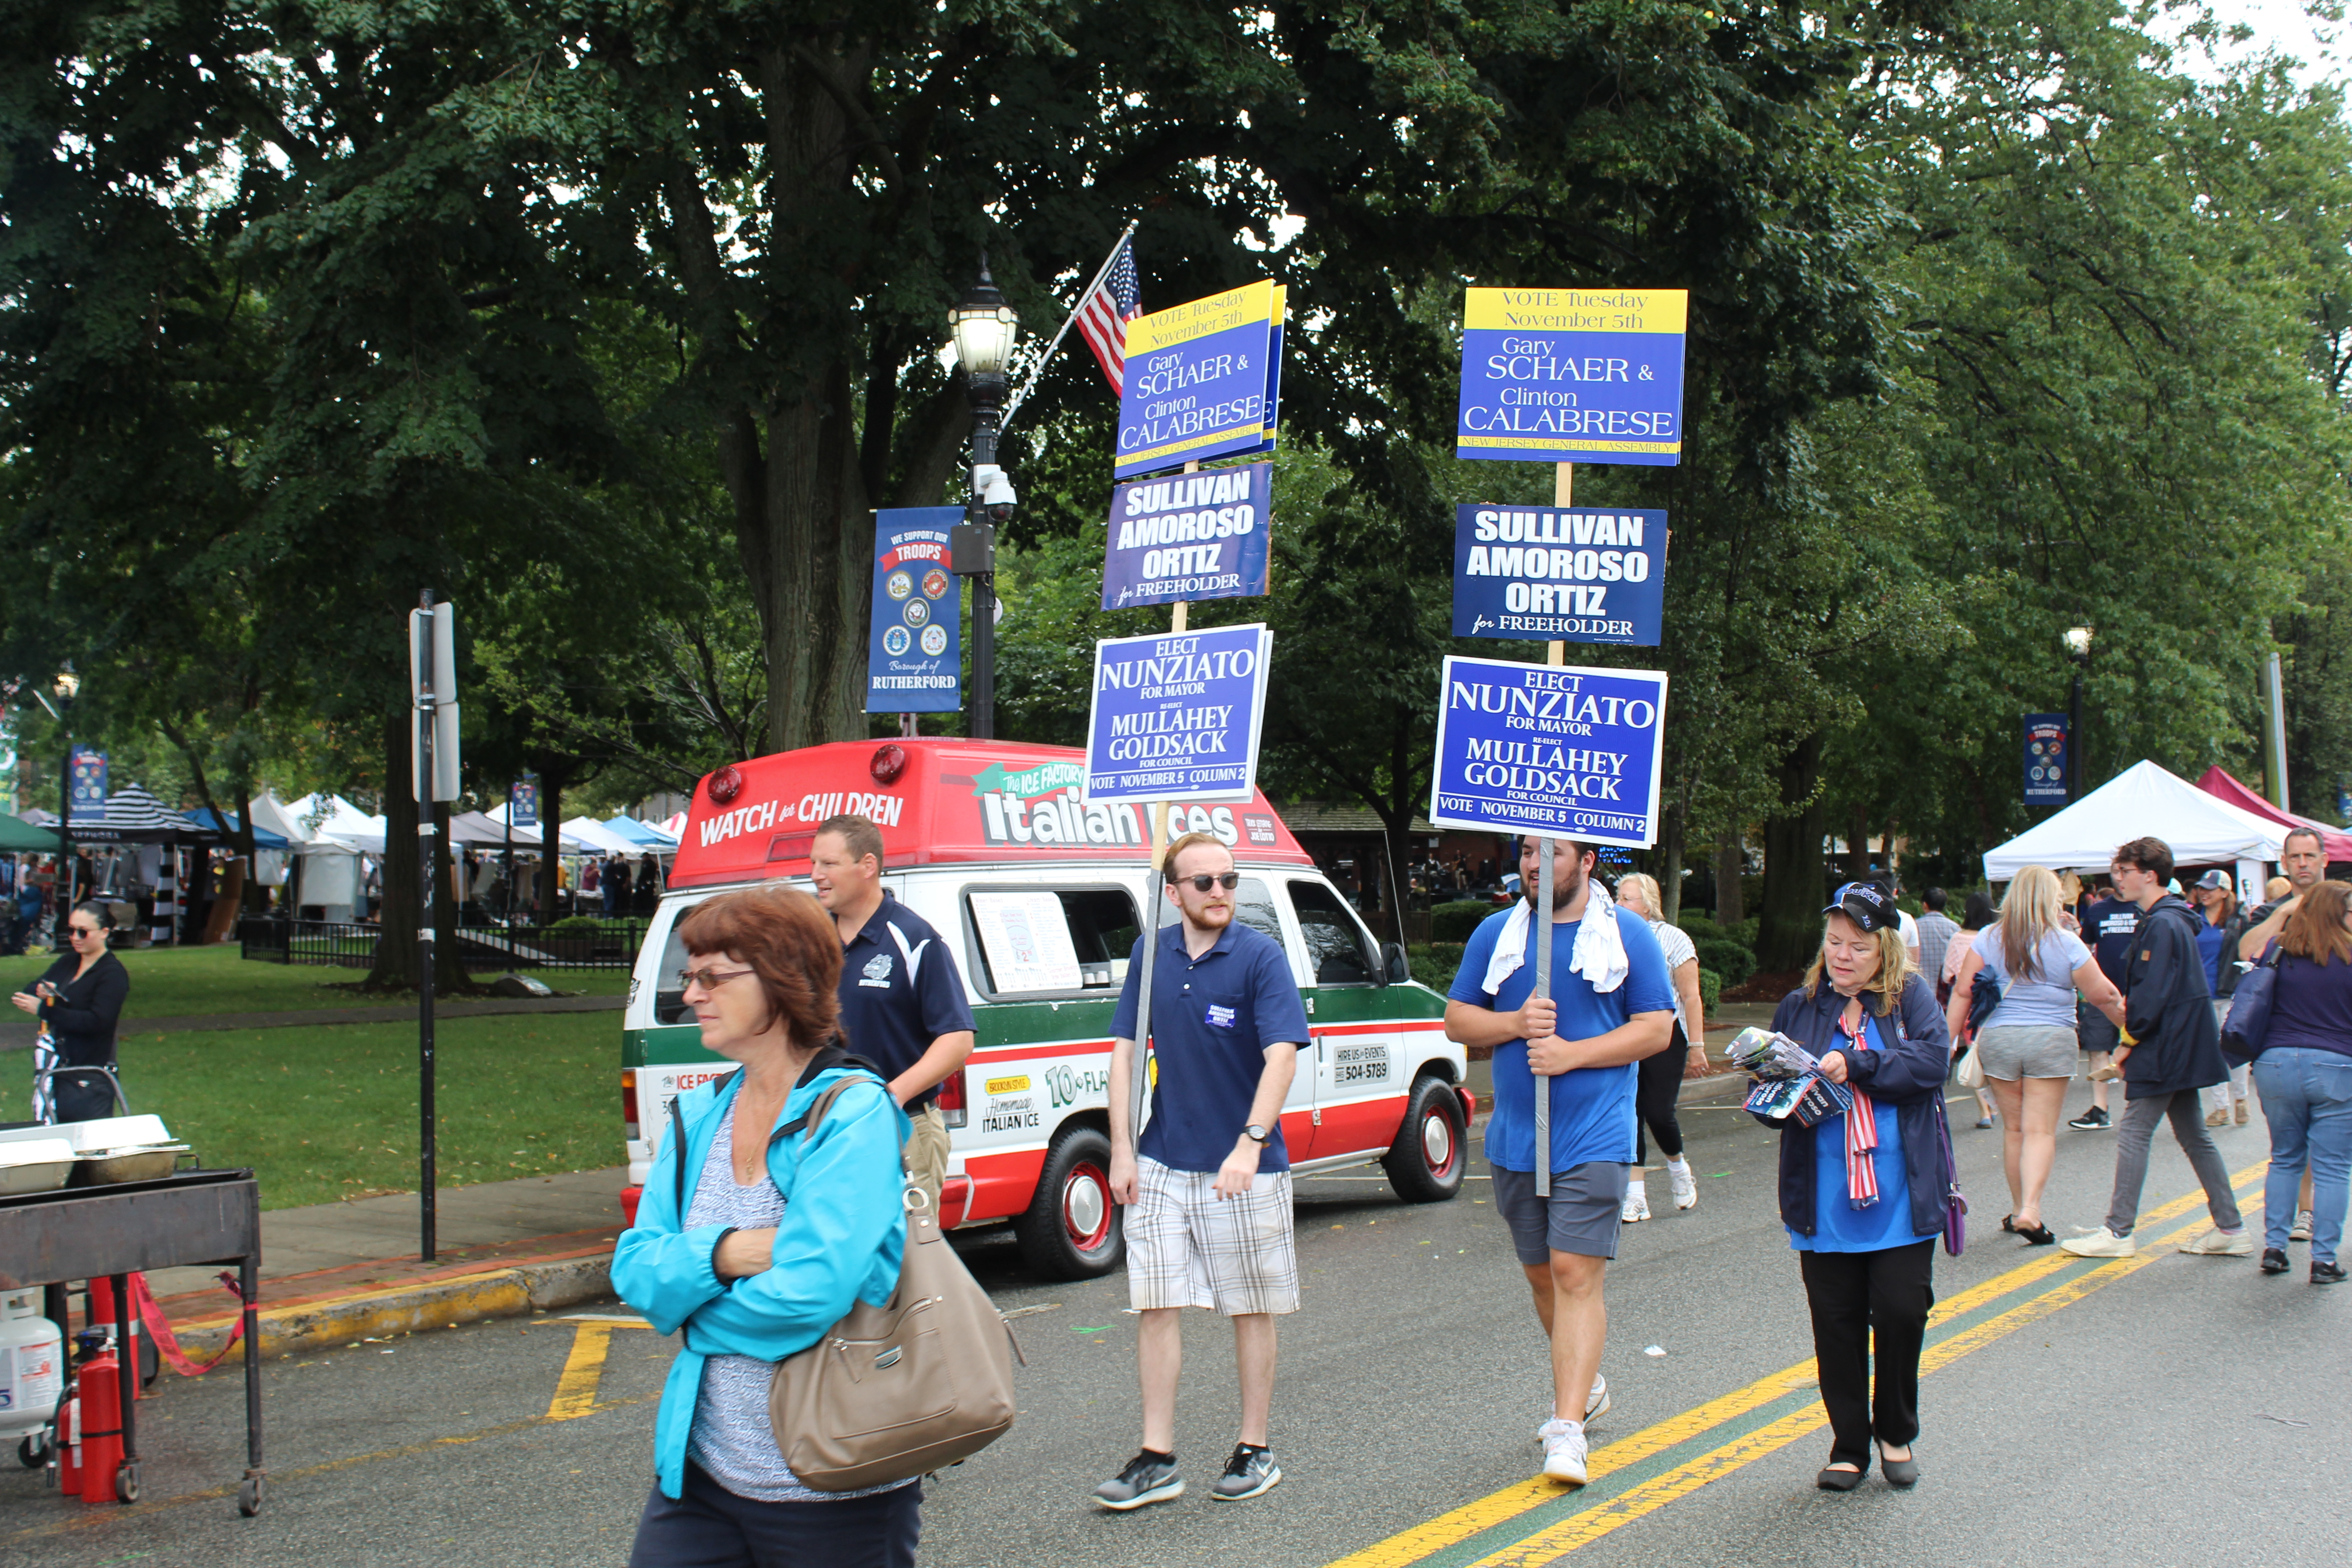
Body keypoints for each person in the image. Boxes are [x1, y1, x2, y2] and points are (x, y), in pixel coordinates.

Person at [612, 886, 918, 1566]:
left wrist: (690, 1314)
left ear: (785, 980)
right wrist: (726, 1254)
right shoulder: (697, 1117)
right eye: (690, 975)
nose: (692, 992)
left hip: (833, 1481)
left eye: (713, 975)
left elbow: (810, 1295)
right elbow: (634, 1268)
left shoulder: (852, 1114)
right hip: (701, 1475)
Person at [1444, 837, 1673, 1488]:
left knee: (1576, 1272)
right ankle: (1587, 1381)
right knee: (1544, 1279)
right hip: (1517, 1139)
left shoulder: (1628, 933)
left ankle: (1567, 1428)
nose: (1537, 866)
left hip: (1595, 1132)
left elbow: (1656, 1029)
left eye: (1554, 854)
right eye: (1527, 854)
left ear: (1588, 863)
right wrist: (1515, 1024)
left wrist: (1572, 1054)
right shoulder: (1496, 934)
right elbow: (1459, 1020)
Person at [1095, 832, 1311, 1510]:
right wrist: (1123, 1149)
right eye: (1205, 883)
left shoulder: (1259, 956)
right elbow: (1126, 1053)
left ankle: (1255, 1447)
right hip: (1162, 1159)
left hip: (1242, 1166)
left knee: (1250, 1306)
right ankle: (1157, 1456)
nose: (1221, 893)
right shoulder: (1149, 953)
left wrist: (1251, 1142)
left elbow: (1282, 1056)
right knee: (1155, 1303)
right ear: (1174, 892)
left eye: (1229, 879)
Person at [1759, 882, 1951, 1491]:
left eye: (1858, 947)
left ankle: (1894, 1430)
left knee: (1900, 1312)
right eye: (1835, 943)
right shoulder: (1801, 1005)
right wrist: (1773, 1094)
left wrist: (1860, 1064)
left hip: (1900, 1191)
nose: (1843, 955)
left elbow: (1931, 1064)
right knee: (1836, 1322)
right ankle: (1848, 1444)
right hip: (1824, 1194)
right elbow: (1768, 1094)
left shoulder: (1910, 999)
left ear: (1885, 950)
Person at [2060, 838, 2249, 1259]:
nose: (2118, 879)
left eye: (2124, 871)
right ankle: (2231, 1226)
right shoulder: (2173, 918)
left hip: (2167, 1043)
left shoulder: (2162, 923)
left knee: (2135, 1132)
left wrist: (2128, 1041)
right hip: (2182, 1041)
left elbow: (2151, 993)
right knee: (2194, 1135)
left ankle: (2119, 1231)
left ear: (2150, 874)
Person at [1943, 867, 2126, 1245]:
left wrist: (1944, 1043)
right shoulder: (2066, 942)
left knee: (2014, 1130)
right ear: (2051, 898)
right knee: (2040, 1130)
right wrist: (2131, 1030)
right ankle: (2031, 1210)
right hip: (2051, 1040)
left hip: (2000, 1040)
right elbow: (2103, 995)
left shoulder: (1988, 938)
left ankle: (2016, 1210)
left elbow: (1963, 992)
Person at [808, 815, 975, 1210]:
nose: (816, 875)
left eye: (828, 864)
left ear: (868, 866)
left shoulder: (915, 939)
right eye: (814, 864)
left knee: (906, 1264)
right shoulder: (811, 941)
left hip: (903, 1128)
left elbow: (957, 1039)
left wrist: (890, 1097)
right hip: (823, 1131)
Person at [2249, 881, 2352, 1283]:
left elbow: (2250, 975)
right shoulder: (2348, 955)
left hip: (2276, 1063)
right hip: (2336, 1065)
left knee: (2285, 1157)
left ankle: (2274, 1247)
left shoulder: (2280, 948)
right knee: (2332, 1168)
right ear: (2336, 912)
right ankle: (2324, 1259)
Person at [2237, 833, 2328, 1240]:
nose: (2303, 863)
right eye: (2296, 857)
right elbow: (2247, 951)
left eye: (2310, 855)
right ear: (2284, 863)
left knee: (2332, 1141)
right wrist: (2285, 914)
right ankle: (2306, 1213)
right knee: (2293, 1142)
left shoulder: (2344, 906)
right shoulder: (2271, 913)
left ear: (2324, 859)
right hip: (2283, 1043)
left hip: (2337, 1039)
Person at [1611, 873, 1708, 1220]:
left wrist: (1697, 1046)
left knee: (1657, 1111)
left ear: (1649, 904)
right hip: (1626, 1035)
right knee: (1630, 1113)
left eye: (1627, 899)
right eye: (1618, 898)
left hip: (1667, 1036)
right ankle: (1635, 1196)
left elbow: (1690, 996)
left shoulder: (1674, 939)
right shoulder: (1610, 938)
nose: (1618, 904)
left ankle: (1678, 1168)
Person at [10, 902, 129, 1122]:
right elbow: (32, 988)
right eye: (71, 931)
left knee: (84, 1144)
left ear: (105, 933)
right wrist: (41, 991)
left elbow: (98, 1022)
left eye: (83, 932)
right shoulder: (69, 962)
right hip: (57, 1071)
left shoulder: (112, 974)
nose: (75, 937)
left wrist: (45, 1010)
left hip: (89, 1078)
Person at [2071, 877, 2141, 1132]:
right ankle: (2100, 1110)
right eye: (2116, 870)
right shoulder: (2098, 910)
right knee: (2097, 1048)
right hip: (2102, 993)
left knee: (2139, 1049)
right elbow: (2086, 947)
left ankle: (2140, 1111)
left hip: (2140, 992)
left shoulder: (2144, 908)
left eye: (2126, 871)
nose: (2121, 877)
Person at [2188, 870, 2250, 1126]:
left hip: (2230, 991)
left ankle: (2241, 1100)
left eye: (2210, 889)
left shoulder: (2239, 920)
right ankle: (2222, 1107)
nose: (2204, 893)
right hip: (2202, 993)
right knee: (2211, 1052)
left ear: (2225, 892)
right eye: (2202, 888)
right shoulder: (2193, 918)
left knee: (2233, 1047)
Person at [1941, 892, 2001, 1129]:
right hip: (1995, 1001)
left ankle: (1986, 1110)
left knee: (1974, 1054)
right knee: (1991, 1055)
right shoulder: (1997, 936)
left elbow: (1949, 974)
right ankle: (1996, 1103)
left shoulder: (1959, 938)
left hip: (1968, 1004)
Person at [1915, 889, 1960, 999]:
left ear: (1925, 905)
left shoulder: (1915, 926)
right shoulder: (1954, 928)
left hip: (1920, 990)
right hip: (1946, 992)